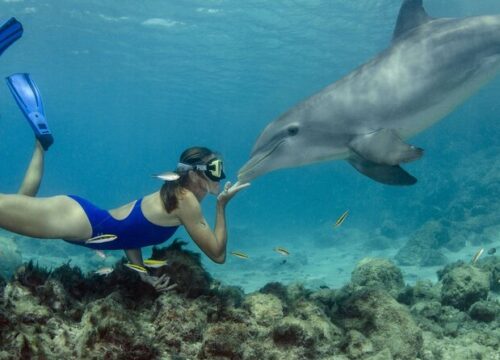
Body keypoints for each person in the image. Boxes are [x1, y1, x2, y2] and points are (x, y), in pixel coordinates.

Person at [1, 74, 250, 292]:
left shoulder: (175, 194)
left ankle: (40, 144)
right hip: (77, 220)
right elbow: (218, 255)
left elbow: (132, 236)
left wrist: (143, 276)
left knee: (22, 201)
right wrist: (221, 206)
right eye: (216, 169)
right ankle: (40, 143)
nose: (222, 175)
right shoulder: (186, 201)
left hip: (81, 219)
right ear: (195, 173)